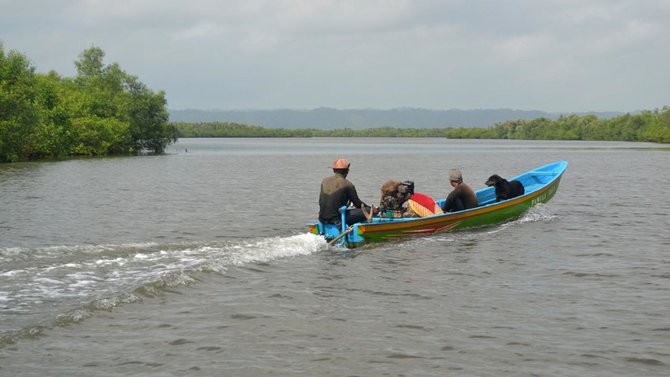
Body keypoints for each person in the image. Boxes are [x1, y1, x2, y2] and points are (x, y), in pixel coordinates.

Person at [319, 158, 374, 226]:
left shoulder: (324, 181)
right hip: (337, 219)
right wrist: (371, 209)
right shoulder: (348, 185)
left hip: (322, 218)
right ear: (347, 171)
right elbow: (358, 204)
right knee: (369, 210)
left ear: (333, 170)